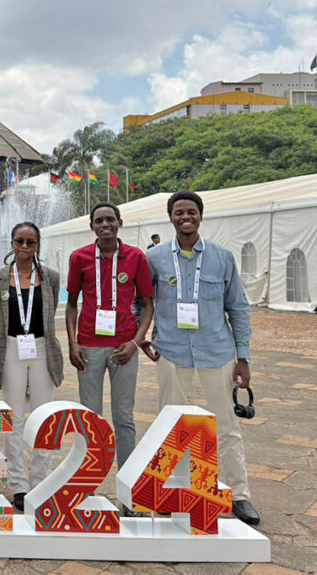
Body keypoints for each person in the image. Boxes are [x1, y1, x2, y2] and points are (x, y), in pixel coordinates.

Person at [143, 191, 260, 525]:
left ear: (201, 216)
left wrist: (244, 357)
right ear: (170, 218)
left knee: (226, 424)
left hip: (217, 351)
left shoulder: (222, 258)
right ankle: (171, 491)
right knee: (170, 424)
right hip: (171, 350)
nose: (185, 217)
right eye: (178, 212)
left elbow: (238, 307)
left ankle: (239, 495)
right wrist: (142, 339)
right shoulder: (155, 259)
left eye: (191, 212)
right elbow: (143, 301)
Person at [65, 202, 154, 516]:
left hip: (123, 349)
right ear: (92, 226)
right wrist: (73, 343)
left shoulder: (136, 257)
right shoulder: (79, 258)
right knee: (91, 420)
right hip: (88, 347)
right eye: (99, 221)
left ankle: (128, 495)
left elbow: (147, 305)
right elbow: (72, 304)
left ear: (119, 222)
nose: (105, 225)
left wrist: (135, 341)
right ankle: (86, 489)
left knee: (124, 419)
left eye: (110, 220)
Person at [0, 223, 64, 511]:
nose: (24, 247)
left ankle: (41, 481)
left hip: (42, 348)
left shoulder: (51, 278)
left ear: (38, 246)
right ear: (12, 243)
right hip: (10, 348)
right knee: (13, 418)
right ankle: (19, 485)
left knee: (45, 419)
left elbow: (51, 309)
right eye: (19, 241)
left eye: (30, 242)